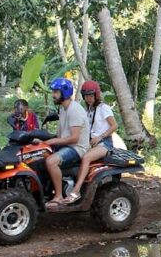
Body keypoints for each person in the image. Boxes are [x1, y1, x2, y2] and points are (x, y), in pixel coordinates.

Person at [34, 78, 90, 207]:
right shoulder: (63, 110)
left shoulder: (74, 109)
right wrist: (43, 142)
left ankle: (58, 196)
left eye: (56, 92)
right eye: (53, 92)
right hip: (66, 145)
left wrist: (52, 141)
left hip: (77, 148)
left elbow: (74, 138)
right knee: (37, 156)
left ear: (64, 92)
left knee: (51, 161)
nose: (53, 95)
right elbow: (61, 135)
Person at [67, 81, 118, 201]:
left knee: (86, 158)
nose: (88, 98)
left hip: (104, 144)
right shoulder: (88, 110)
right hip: (90, 143)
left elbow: (114, 126)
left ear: (96, 95)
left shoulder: (103, 108)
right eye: (86, 96)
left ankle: (76, 190)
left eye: (90, 95)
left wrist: (100, 137)